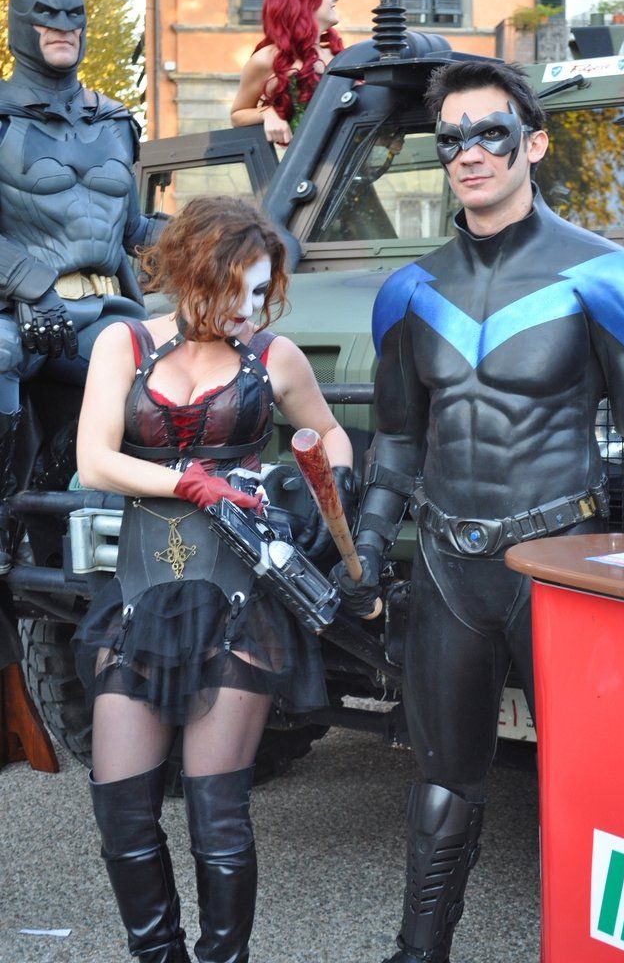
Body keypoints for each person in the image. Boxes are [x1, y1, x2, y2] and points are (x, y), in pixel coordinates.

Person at [331, 59, 624, 963]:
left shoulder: (608, 278)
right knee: (441, 781)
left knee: (607, 786)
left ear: (534, 143)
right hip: (448, 565)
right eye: (451, 139)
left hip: (562, 563)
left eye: (490, 133)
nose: (469, 154)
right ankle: (419, 952)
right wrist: (366, 544)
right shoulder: (410, 291)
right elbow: (397, 442)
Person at [72, 196, 354, 963]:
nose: (250, 308)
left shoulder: (273, 357)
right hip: (139, 598)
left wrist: (322, 487)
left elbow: (330, 433)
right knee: (123, 816)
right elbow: (94, 460)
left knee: (218, 817)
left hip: (240, 598)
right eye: (237, 290)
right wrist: (189, 483)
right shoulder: (125, 343)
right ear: (193, 272)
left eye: (262, 292)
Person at [0, 0, 167, 575]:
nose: (62, 28)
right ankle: (3, 516)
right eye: (46, 15)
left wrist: (221, 236)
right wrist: (31, 286)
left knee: (169, 367)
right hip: (17, 313)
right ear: (21, 22)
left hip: (102, 311)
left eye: (74, 16)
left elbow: (133, 229)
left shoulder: (115, 121)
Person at [230, 0, 342, 146]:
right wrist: (268, 113)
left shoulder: (338, 56)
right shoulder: (266, 59)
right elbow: (237, 115)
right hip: (307, 161)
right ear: (302, 0)